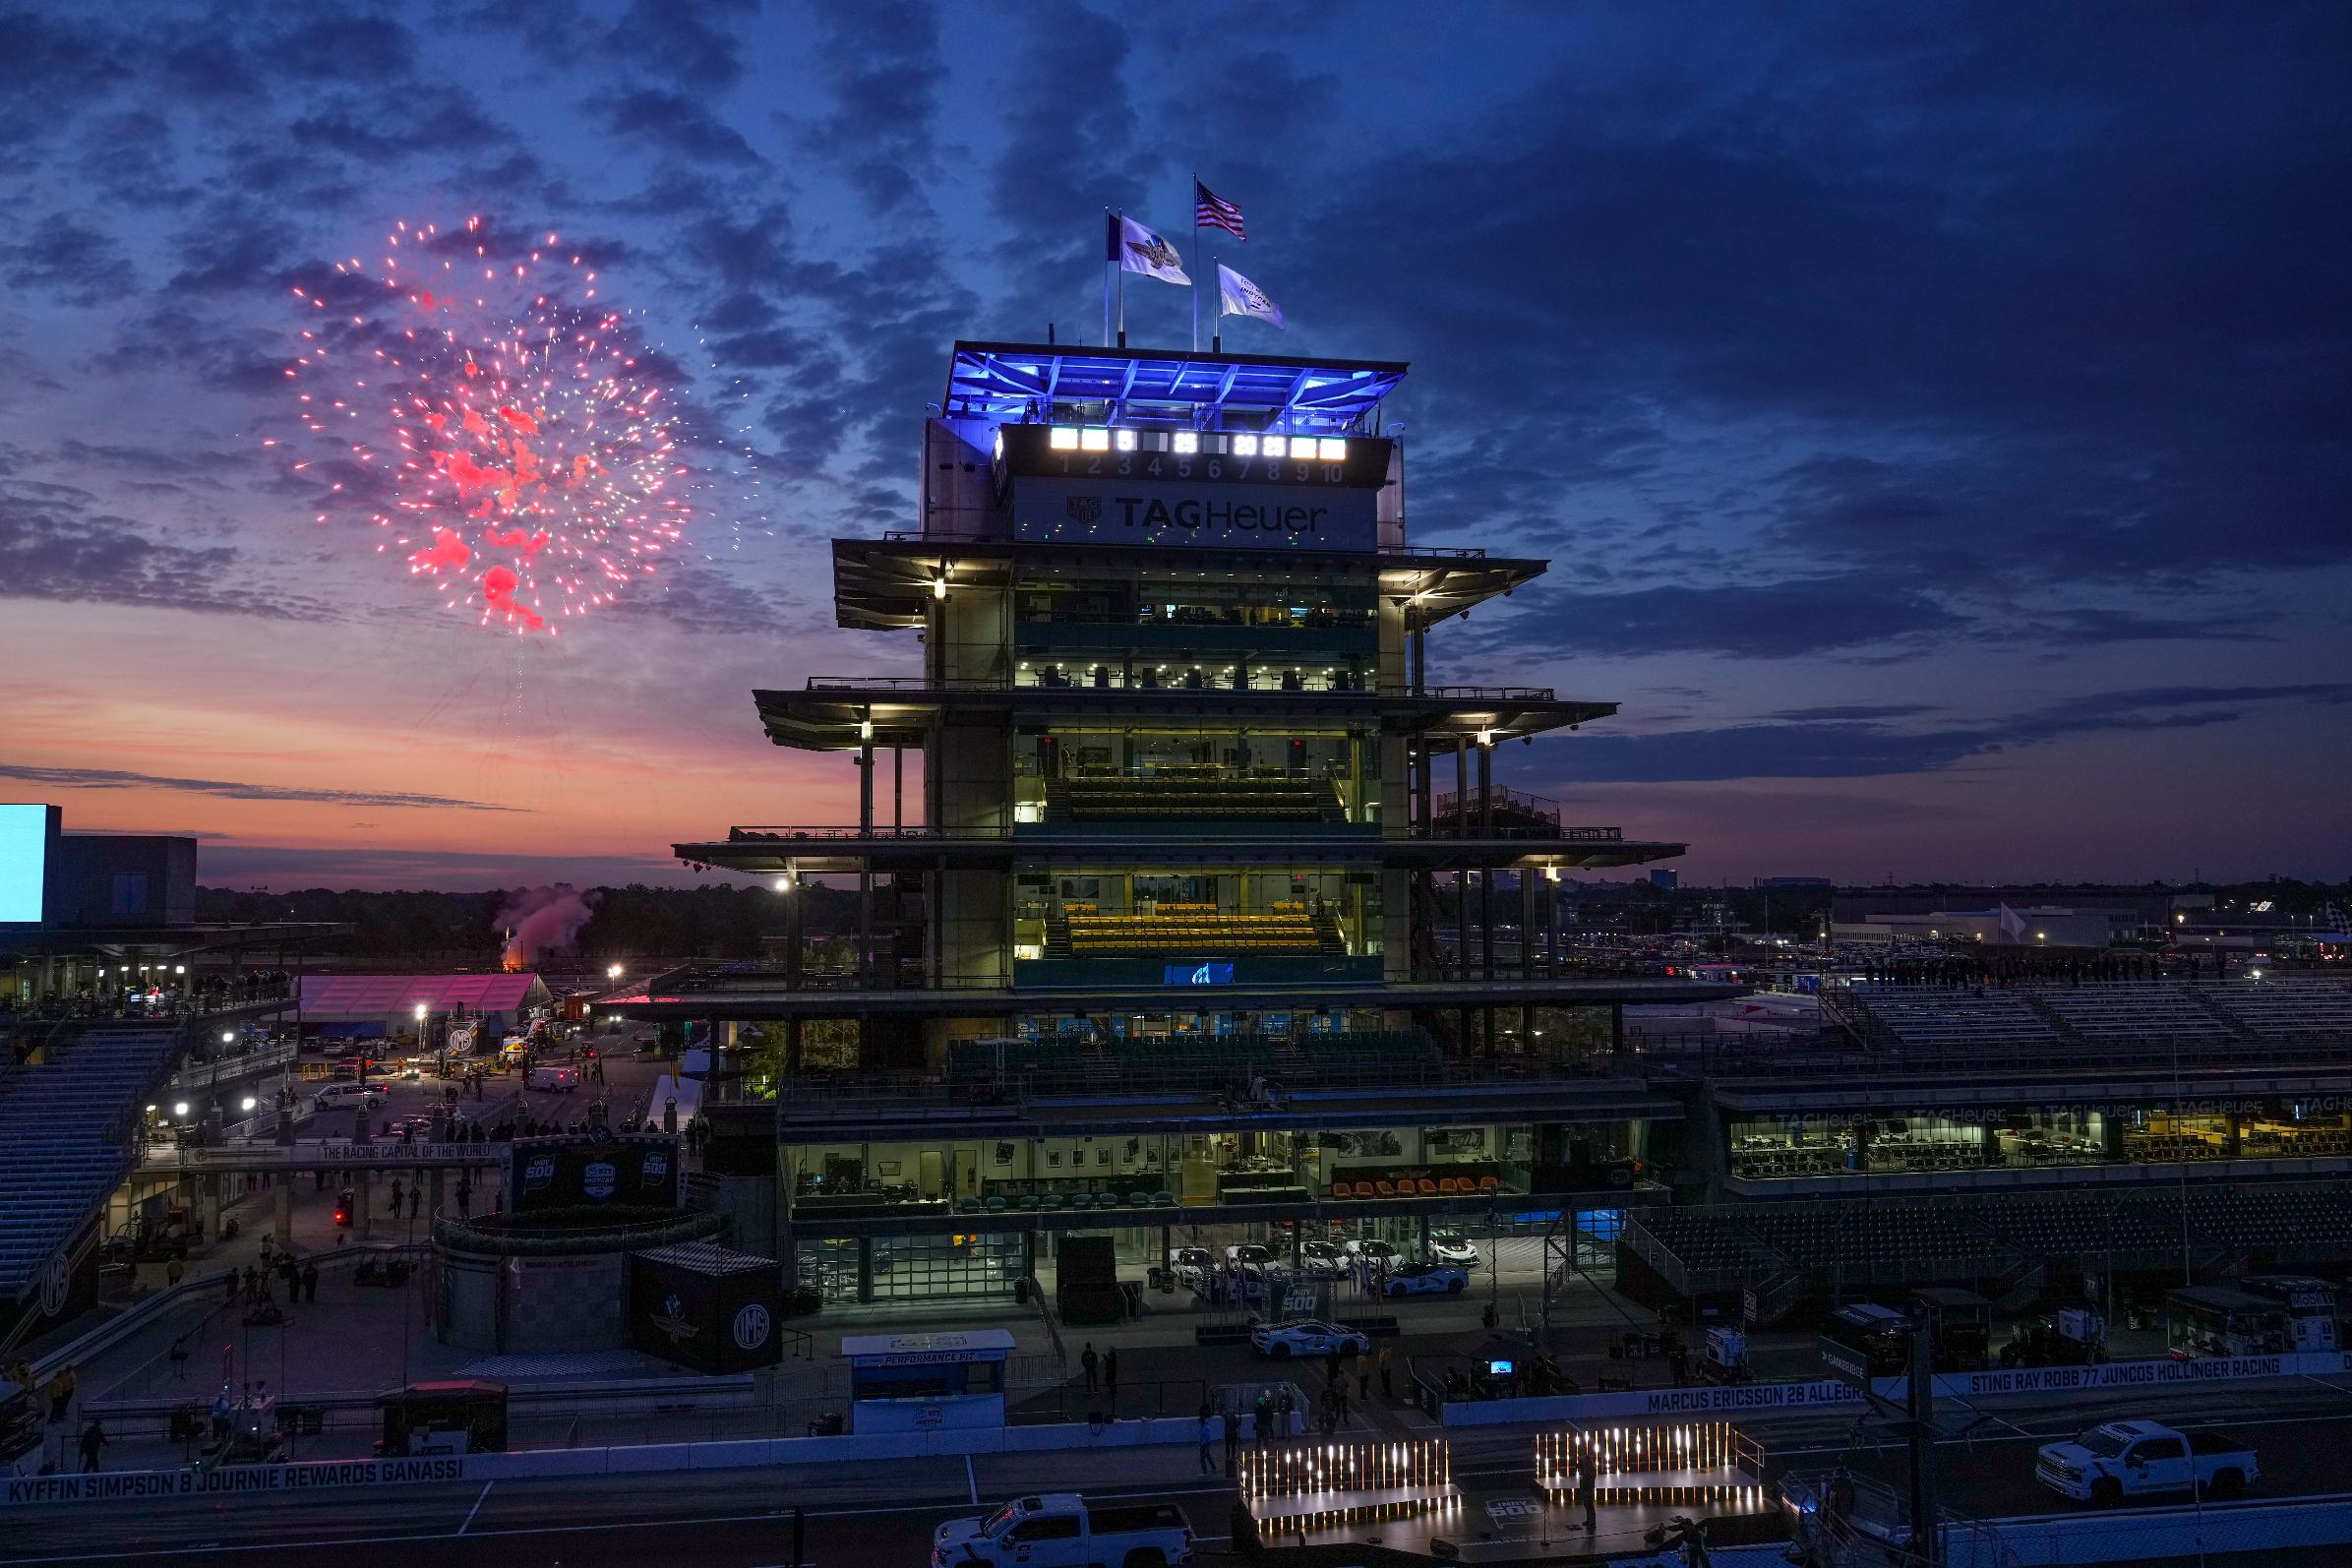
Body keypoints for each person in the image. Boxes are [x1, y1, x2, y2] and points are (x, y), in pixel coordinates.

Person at [1578, 1440, 1598, 1533]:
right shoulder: (1585, 1467)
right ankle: (1589, 1520)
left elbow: (1589, 1481)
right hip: (1585, 1488)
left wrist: (1586, 1489)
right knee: (1587, 1505)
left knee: (1589, 1505)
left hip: (1588, 1489)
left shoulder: (1589, 1472)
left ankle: (1592, 1522)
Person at [1198, 1411, 1219, 1475]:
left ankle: (1205, 1472)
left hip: (1204, 1445)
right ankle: (1214, 1468)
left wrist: (1204, 1444)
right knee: (1208, 1456)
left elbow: (1207, 1438)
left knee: (1202, 1458)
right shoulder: (1203, 1427)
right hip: (1203, 1444)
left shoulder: (1205, 1428)